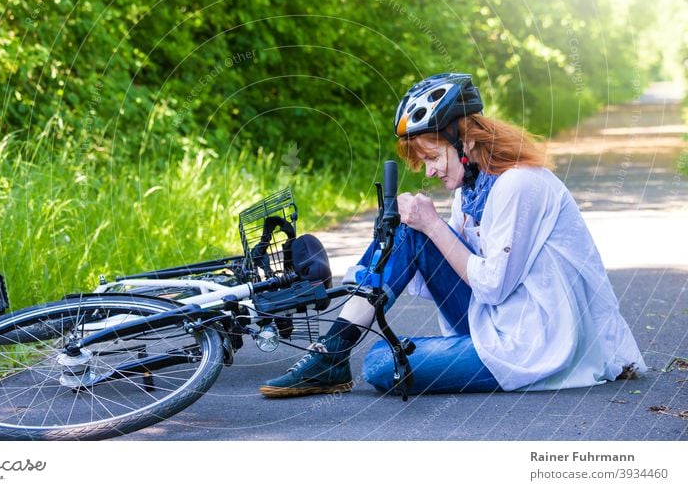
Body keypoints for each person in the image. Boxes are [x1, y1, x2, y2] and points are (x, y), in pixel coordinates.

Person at [259, 72, 646, 398]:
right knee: (411, 231)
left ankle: (333, 352)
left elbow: (492, 285)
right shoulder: (470, 189)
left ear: (468, 141)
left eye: (432, 156)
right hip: (496, 318)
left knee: (381, 362)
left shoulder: (520, 186)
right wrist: (412, 230)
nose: (428, 171)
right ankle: (333, 350)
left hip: (535, 339)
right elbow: (445, 267)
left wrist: (434, 225)